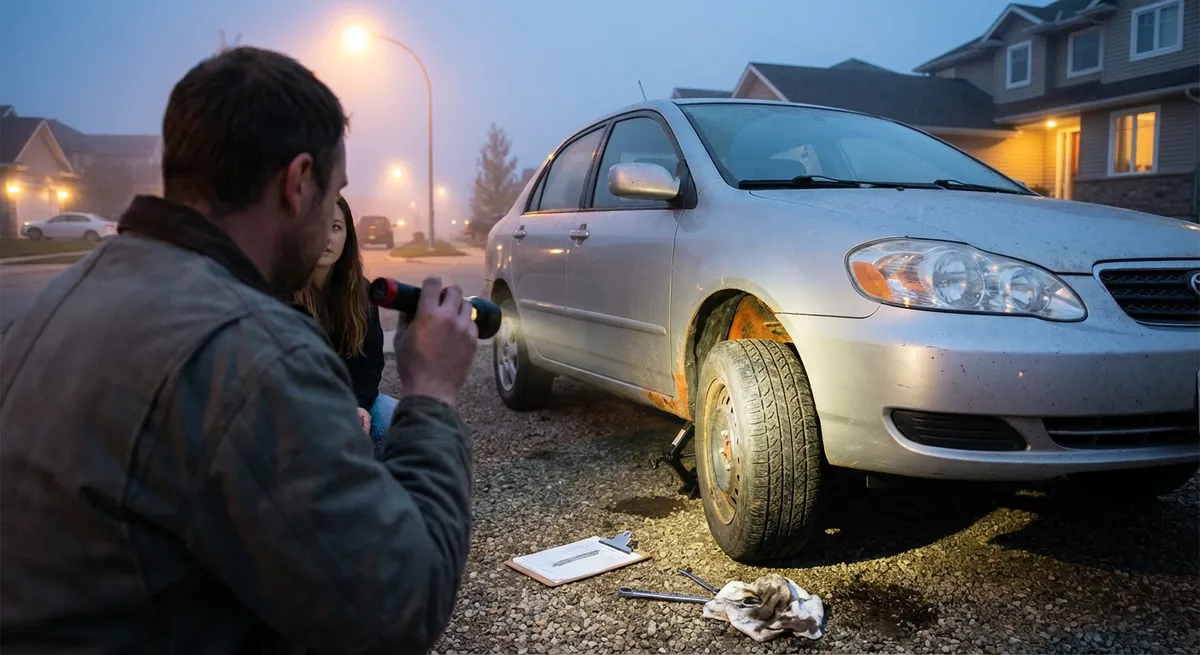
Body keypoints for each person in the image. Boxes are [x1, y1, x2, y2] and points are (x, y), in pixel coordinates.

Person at [0, 46, 477, 654]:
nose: (335, 214)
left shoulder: (68, 295)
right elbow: (401, 606)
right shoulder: (252, 353)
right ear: (299, 182)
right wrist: (431, 394)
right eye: (336, 192)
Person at [292, 194, 398, 452]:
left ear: (347, 237)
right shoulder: (282, 292)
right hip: (295, 410)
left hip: (349, 404)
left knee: (398, 419)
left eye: (336, 227)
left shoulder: (362, 293)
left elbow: (371, 365)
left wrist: (359, 405)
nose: (326, 237)